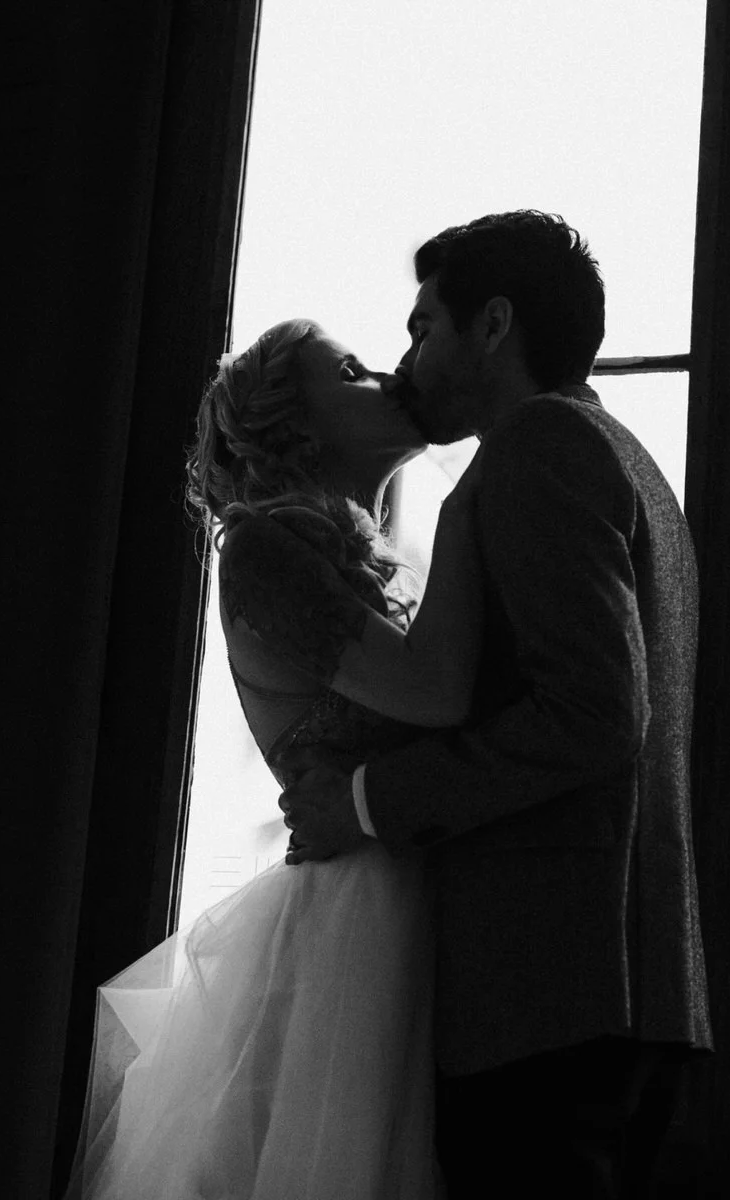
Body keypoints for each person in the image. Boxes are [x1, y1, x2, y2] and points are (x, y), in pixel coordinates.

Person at [273, 210, 712, 1197]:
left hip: (547, 995)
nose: (407, 358)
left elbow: (596, 717)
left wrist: (368, 800)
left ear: (494, 324)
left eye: (424, 326)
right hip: (616, 990)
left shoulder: (540, 446)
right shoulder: (626, 458)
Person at [64, 316, 483, 1198]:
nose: (387, 377)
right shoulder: (264, 552)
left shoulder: (379, 557)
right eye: (353, 371)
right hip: (362, 919)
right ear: (292, 420)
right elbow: (437, 698)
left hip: (430, 897)